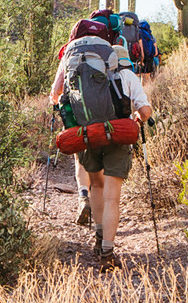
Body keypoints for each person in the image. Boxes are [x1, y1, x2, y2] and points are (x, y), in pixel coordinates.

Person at [49, 45, 152, 271]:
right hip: (117, 138)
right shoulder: (128, 76)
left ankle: (98, 239)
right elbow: (145, 112)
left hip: (88, 137)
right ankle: (107, 252)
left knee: (96, 185)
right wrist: (137, 118)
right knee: (112, 197)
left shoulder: (86, 75)